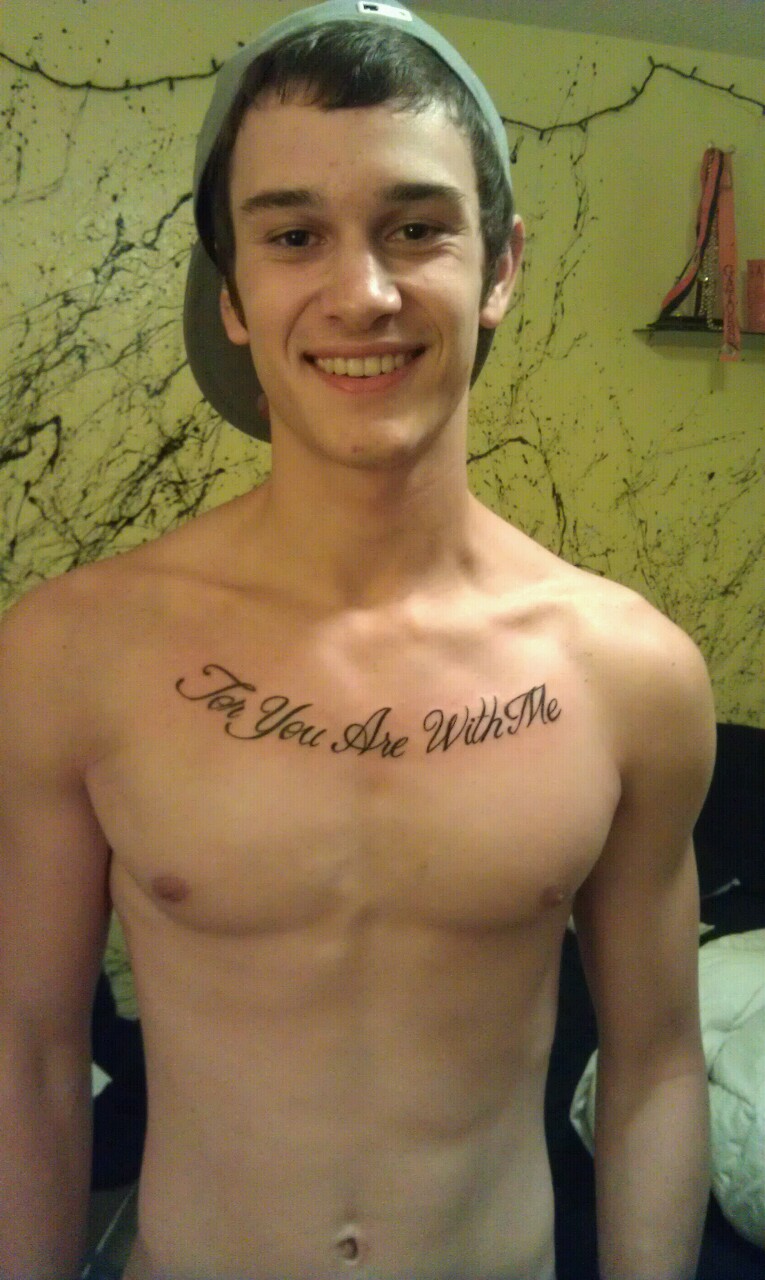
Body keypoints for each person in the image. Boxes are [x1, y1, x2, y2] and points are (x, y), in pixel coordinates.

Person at [0, 3, 716, 1279]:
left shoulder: (630, 673)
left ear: (501, 266)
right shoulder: (73, 651)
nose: (364, 293)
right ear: (232, 291)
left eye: (417, 226)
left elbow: (658, 1061)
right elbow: (34, 1056)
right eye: (293, 235)